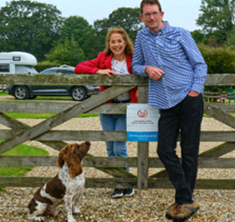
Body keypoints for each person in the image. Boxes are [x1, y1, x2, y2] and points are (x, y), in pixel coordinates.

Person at [132, 0, 207, 221]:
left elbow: (199, 64)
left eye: (155, 13)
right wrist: (147, 68)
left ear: (162, 13)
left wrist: (195, 90)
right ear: (141, 17)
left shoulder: (181, 33)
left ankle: (183, 201)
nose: (152, 18)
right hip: (165, 101)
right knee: (164, 149)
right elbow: (135, 65)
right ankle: (186, 199)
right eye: (147, 14)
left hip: (189, 97)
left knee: (190, 150)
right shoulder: (141, 37)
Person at [75, 27, 138, 199]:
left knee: (119, 147)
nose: (116, 44)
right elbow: (79, 68)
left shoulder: (134, 60)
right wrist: (98, 71)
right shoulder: (103, 58)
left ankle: (127, 183)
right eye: (113, 41)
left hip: (126, 109)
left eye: (119, 41)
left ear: (125, 42)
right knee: (110, 148)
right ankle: (118, 184)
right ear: (109, 44)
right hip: (107, 109)